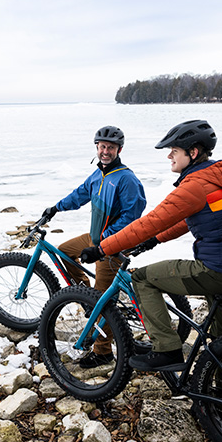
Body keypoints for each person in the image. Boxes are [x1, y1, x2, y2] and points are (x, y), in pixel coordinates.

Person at [80, 120, 222, 372]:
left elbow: (150, 222)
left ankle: (167, 350)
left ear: (192, 153)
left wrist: (101, 249)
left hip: (218, 271)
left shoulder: (195, 185)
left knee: (142, 279)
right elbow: (187, 220)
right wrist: (155, 241)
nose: (169, 156)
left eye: (174, 151)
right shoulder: (217, 179)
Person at [42, 125, 146, 368]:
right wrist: (55, 208)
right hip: (94, 239)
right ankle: (87, 300)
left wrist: (104, 241)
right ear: (97, 148)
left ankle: (103, 352)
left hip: (112, 245)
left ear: (119, 149)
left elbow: (132, 216)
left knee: (103, 299)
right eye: (102, 147)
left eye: (110, 147)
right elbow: (79, 195)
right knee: (65, 252)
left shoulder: (126, 179)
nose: (105, 151)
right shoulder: (98, 174)